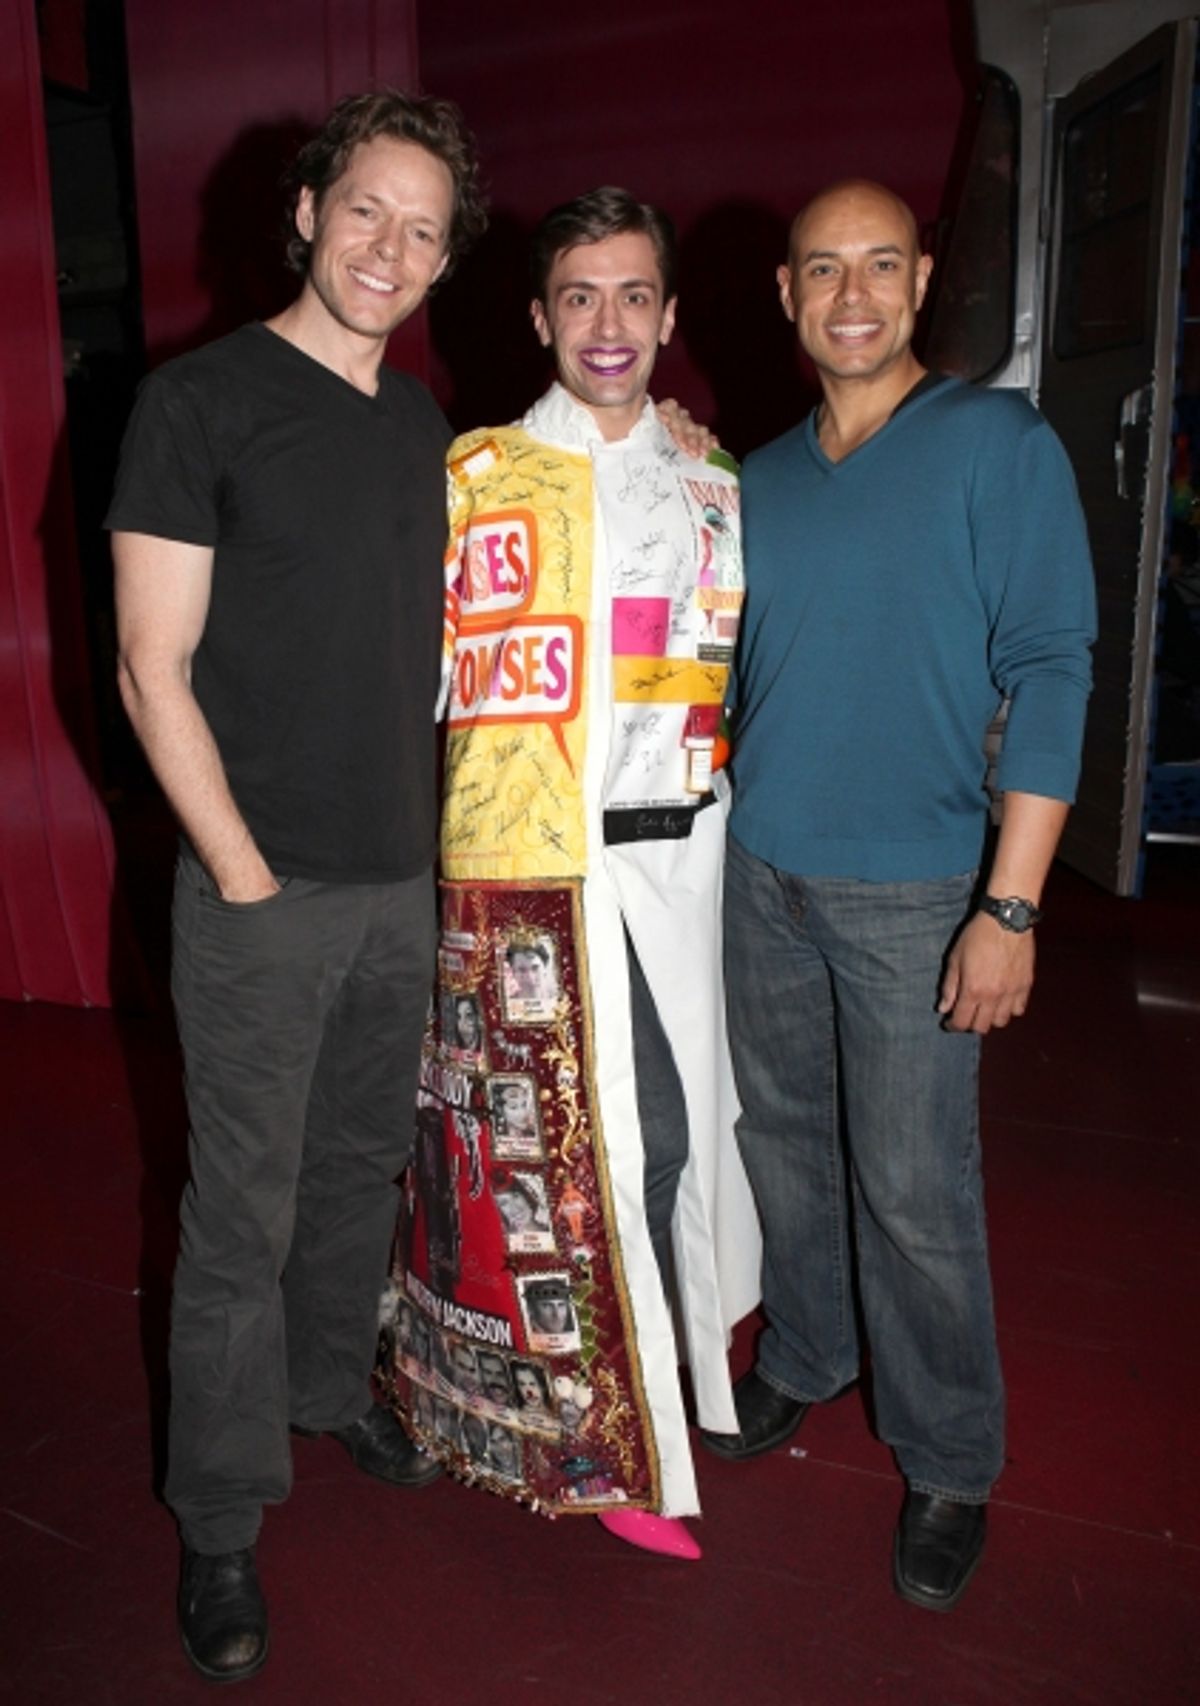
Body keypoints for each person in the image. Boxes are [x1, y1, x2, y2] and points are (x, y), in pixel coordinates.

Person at [107, 91, 486, 1682]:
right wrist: (246, 878)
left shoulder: (418, 421)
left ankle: (328, 1394)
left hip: (402, 881)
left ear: (446, 257)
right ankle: (216, 1516)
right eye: (367, 210)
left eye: (423, 228)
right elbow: (148, 668)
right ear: (307, 209)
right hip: (260, 895)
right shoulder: (197, 405)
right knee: (236, 1215)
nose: (389, 247)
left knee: (353, 1180)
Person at [702, 180, 1096, 1612]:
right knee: (790, 1150)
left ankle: (947, 1456)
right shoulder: (759, 474)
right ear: (787, 297)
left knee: (920, 1195)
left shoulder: (997, 441)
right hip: (763, 875)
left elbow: (1054, 666)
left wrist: (1011, 906)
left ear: (921, 282)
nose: (851, 293)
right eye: (823, 269)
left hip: (922, 888)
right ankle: (807, 1354)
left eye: (880, 264)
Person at [390, 186, 760, 1562]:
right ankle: (603, 1447)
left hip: (690, 862)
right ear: (541, 315)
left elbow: (702, 677)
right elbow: (412, 678)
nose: (609, 326)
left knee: (677, 1141)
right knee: (564, 1156)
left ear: (668, 313)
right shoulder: (470, 476)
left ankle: (667, 1387)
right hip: (529, 873)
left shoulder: (712, 479)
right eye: (580, 298)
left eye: (635, 297)